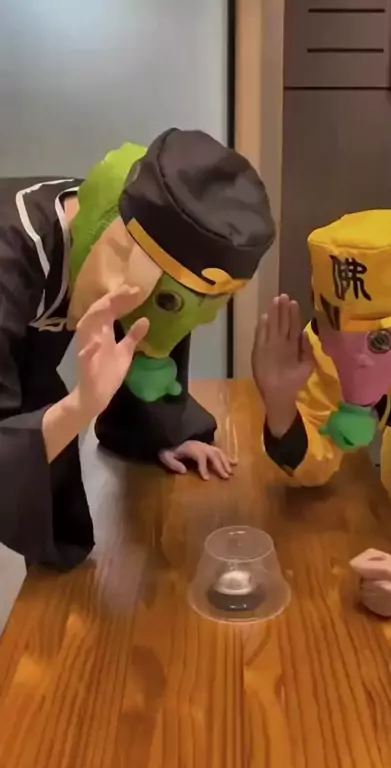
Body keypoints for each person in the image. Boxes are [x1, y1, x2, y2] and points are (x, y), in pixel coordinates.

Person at [0, 128, 275, 570]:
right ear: (115, 250)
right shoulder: (12, 259)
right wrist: (82, 405)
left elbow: (148, 332)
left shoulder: (114, 224)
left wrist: (159, 432)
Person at [253, 209, 391, 617]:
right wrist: (280, 406)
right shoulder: (338, 333)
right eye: (338, 336)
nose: (354, 360)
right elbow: (317, 457)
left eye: (379, 343)